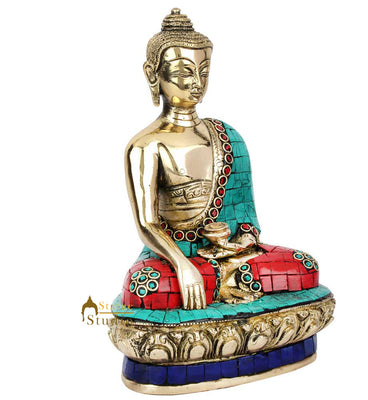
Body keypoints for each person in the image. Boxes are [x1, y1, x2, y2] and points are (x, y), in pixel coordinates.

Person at [122, 9, 319, 311]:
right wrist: (182, 264)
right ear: (152, 74)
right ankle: (221, 283)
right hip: (172, 256)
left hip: (232, 255)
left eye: (203, 71)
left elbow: (245, 215)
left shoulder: (226, 136)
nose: (196, 82)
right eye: (184, 72)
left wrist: (241, 242)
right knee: (145, 286)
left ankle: (221, 282)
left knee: (304, 265)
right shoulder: (145, 145)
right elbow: (147, 224)